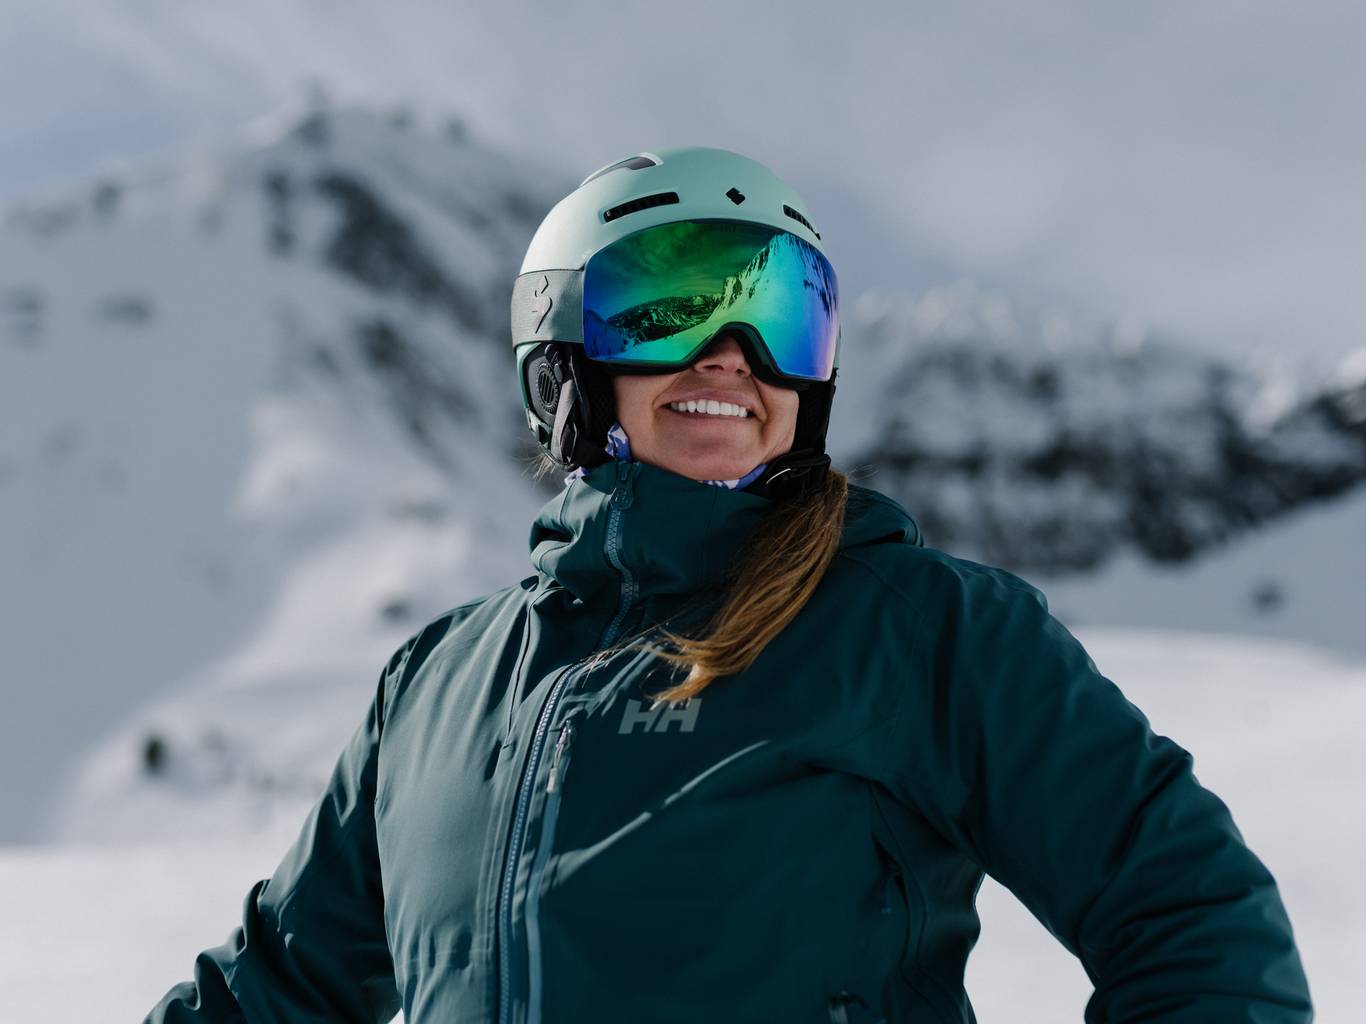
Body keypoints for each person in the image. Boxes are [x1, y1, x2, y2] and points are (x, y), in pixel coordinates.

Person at [147, 146, 1313, 1023]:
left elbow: (1193, 914)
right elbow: (280, 990)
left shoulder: (918, 628)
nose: (730, 358)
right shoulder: (439, 683)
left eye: (779, 318)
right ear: (562, 362)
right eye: (668, 306)